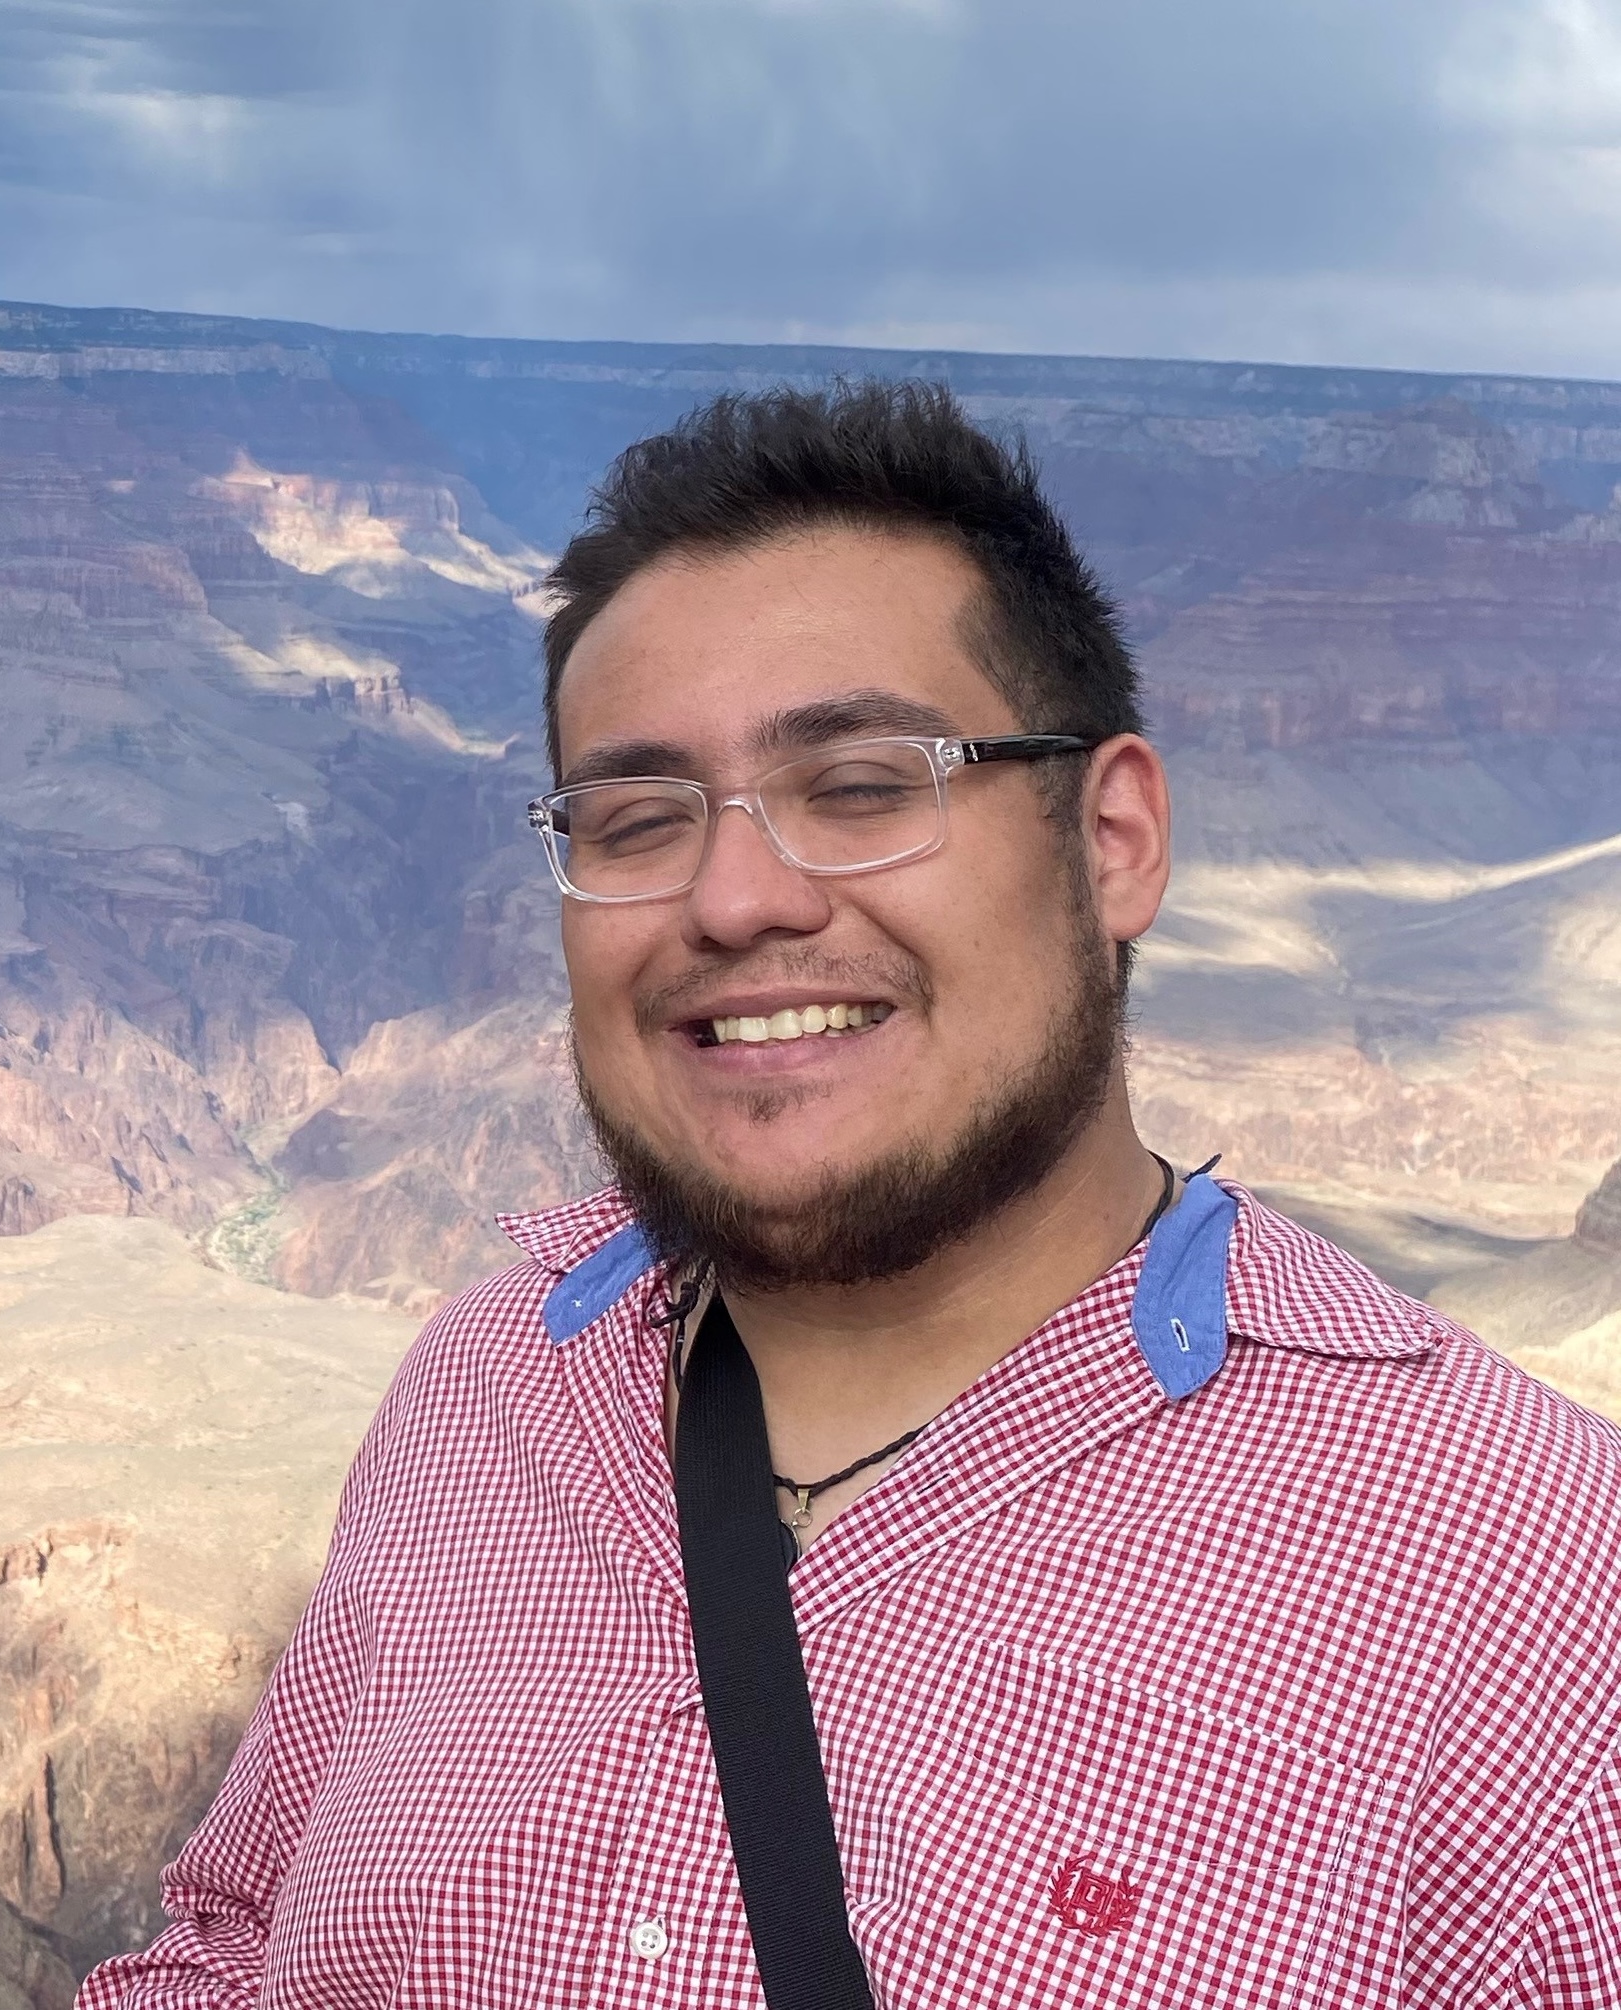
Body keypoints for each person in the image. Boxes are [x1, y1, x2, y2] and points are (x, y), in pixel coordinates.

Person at [79, 383, 1621, 2007]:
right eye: (636, 817)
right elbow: (234, 1947)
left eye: (867, 784)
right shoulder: (480, 1391)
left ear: (1112, 842)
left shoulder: (1532, 1611)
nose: (736, 896)